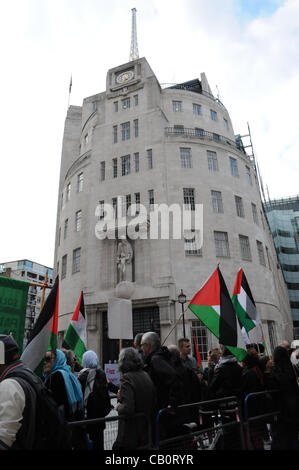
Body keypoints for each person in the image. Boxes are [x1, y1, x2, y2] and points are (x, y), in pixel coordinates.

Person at [141, 332, 184, 442]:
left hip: (162, 410)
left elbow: (174, 378)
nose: (141, 348)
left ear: (148, 346)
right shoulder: (156, 358)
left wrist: (172, 403)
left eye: (142, 345)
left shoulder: (156, 359)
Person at [113, 347, 156, 450]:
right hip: (146, 430)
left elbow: (128, 408)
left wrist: (118, 406)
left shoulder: (126, 378)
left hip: (131, 433)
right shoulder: (145, 374)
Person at [43, 348, 86, 450]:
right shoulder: (68, 374)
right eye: (44, 359)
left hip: (61, 431)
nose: (44, 362)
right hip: (73, 429)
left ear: (58, 360)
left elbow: (55, 407)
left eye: (48, 359)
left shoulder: (56, 376)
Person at [78, 350, 112, 450]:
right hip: (100, 420)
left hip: (87, 420)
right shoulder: (101, 374)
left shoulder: (82, 377)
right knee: (99, 445)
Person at [269, 346, 299, 450]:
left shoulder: (274, 371)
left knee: (280, 437)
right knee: (293, 436)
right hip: (293, 407)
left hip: (281, 410)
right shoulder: (292, 368)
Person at [239, 351, 266, 449]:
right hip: (257, 407)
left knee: (254, 434)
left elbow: (241, 390)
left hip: (251, 409)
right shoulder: (257, 371)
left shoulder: (249, 374)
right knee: (257, 434)